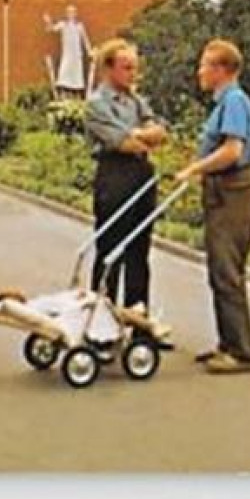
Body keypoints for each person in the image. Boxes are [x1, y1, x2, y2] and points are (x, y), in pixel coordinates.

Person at [176, 39, 250, 374]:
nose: (199, 71)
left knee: (227, 271)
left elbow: (232, 151)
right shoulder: (225, 103)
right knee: (220, 269)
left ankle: (241, 353)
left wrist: (194, 169)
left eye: (204, 65)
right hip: (224, 189)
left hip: (235, 190)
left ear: (220, 69)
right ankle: (228, 342)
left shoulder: (234, 102)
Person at [84, 39, 168, 319]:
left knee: (139, 248)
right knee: (111, 247)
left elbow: (159, 131)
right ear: (109, 69)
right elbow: (121, 142)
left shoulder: (136, 100)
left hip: (142, 173)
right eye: (127, 67)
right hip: (114, 174)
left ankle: (137, 314)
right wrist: (140, 136)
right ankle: (101, 315)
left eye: (135, 68)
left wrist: (140, 135)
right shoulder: (97, 104)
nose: (133, 74)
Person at [43, 5, 92, 97]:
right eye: (69, 12)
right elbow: (52, 29)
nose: (70, 14)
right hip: (67, 54)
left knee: (76, 75)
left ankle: (77, 92)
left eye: (72, 12)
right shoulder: (63, 25)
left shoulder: (79, 26)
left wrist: (89, 51)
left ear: (75, 14)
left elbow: (85, 40)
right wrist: (48, 22)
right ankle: (64, 92)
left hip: (76, 55)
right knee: (65, 72)